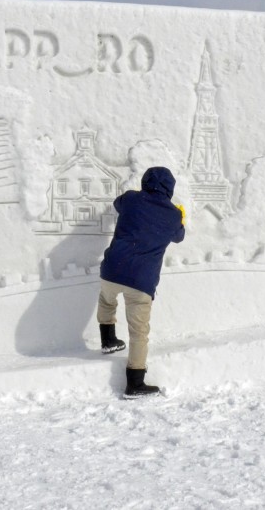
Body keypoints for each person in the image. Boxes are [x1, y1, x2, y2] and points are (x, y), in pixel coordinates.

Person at [98, 166, 185, 398]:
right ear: (170, 188)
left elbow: (118, 205)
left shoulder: (131, 199)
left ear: (145, 182)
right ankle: (135, 382)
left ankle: (107, 340)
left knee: (107, 301)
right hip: (141, 280)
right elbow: (179, 236)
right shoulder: (173, 214)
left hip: (112, 269)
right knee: (138, 332)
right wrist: (180, 216)